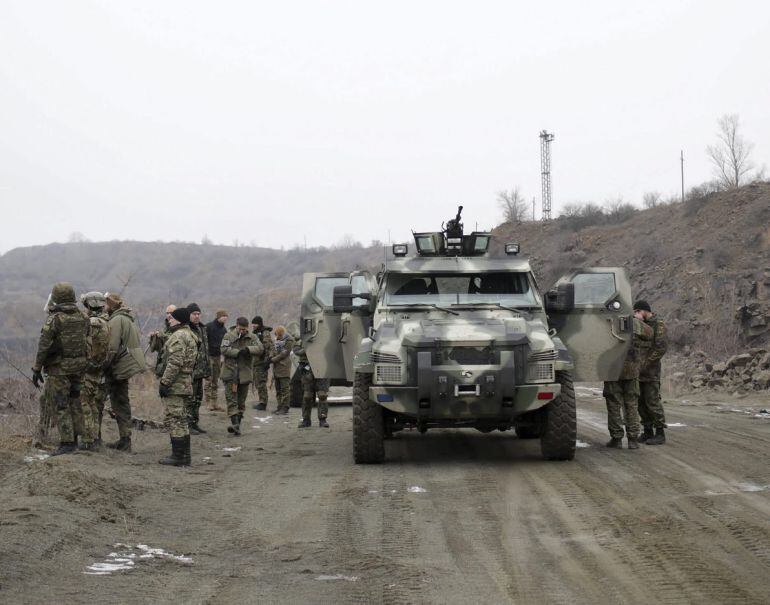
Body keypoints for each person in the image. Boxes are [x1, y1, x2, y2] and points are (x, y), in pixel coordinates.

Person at [31, 282, 89, 456]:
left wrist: (36, 369)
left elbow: (44, 346)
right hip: (79, 367)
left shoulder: (55, 319)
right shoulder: (83, 316)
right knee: (75, 401)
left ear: (56, 298)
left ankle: (67, 443)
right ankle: (78, 439)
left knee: (61, 404)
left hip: (59, 369)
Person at [103, 292, 147, 452]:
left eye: (106, 304)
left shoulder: (116, 320)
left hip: (120, 366)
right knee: (122, 401)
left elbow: (112, 348)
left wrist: (103, 366)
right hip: (127, 364)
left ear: (111, 305)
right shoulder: (126, 318)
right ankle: (125, 438)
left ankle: (124, 440)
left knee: (118, 401)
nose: (104, 307)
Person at [603, 316, 652, 450]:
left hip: (612, 370)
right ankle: (633, 439)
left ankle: (616, 438)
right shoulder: (633, 321)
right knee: (631, 404)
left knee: (613, 403)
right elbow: (649, 333)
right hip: (631, 369)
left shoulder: (605, 321)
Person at [158, 307, 198, 466]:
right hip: (185, 381)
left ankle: (178, 456)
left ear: (179, 320)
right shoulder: (190, 335)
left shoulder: (179, 336)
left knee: (174, 418)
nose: (169, 319)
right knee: (181, 419)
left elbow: (175, 362)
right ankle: (184, 456)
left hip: (177, 383)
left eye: (172, 318)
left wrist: (165, 382)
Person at [221, 317, 264, 435]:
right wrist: (237, 352)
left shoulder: (252, 337)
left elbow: (260, 349)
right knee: (231, 400)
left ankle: (237, 426)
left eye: (244, 329)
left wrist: (248, 350)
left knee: (241, 401)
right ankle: (234, 424)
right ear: (236, 326)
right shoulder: (228, 336)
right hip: (230, 372)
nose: (242, 331)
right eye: (240, 329)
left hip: (244, 373)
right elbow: (224, 349)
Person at [79, 291, 110, 450]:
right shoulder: (106, 321)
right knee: (92, 404)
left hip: (89, 369)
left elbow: (84, 346)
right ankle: (94, 439)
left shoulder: (92, 323)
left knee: (85, 404)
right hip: (98, 369)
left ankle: (87, 441)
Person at [635, 300, 669, 445]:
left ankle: (660, 433)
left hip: (651, 371)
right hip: (639, 371)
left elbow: (660, 348)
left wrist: (646, 363)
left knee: (652, 401)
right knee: (640, 402)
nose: (635, 314)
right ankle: (647, 431)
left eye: (637, 311)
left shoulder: (658, 324)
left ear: (644, 311)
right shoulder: (640, 325)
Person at [186, 303, 211, 434]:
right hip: (190, 371)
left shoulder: (202, 328)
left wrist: (207, 369)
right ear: (189, 315)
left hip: (201, 370)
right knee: (190, 399)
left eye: (198, 314)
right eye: (194, 314)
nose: (196, 316)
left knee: (197, 399)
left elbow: (205, 350)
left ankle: (195, 423)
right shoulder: (186, 329)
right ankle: (188, 425)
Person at [294, 341, 330, 428]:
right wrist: (307, 349)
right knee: (307, 396)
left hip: (322, 367)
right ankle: (306, 420)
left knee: (322, 395)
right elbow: (296, 350)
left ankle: (322, 419)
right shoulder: (303, 338)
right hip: (307, 369)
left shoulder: (322, 336)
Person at [205, 309, 229, 411]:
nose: (225, 318)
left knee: (215, 380)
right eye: (223, 316)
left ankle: (214, 403)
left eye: (226, 317)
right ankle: (208, 402)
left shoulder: (224, 330)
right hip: (209, 356)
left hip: (218, 357)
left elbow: (225, 344)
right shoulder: (209, 326)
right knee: (208, 379)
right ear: (219, 317)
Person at [250, 316, 275, 411]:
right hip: (256, 362)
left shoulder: (265, 333)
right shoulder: (255, 333)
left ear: (259, 324)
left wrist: (267, 360)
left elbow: (268, 347)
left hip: (262, 362)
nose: (253, 326)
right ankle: (261, 401)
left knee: (261, 383)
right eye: (252, 324)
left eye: (255, 324)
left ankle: (263, 403)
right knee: (258, 383)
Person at [271, 325, 294, 415]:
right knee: (278, 389)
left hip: (284, 367)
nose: (276, 337)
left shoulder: (289, 341)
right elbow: (274, 351)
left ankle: (285, 407)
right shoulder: (277, 342)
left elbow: (284, 354)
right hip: (277, 368)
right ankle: (279, 406)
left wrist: (272, 360)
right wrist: (270, 357)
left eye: (277, 335)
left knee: (284, 389)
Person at [149, 305, 176, 377]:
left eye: (172, 313)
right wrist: (153, 338)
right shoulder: (164, 328)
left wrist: (162, 335)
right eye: (167, 313)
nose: (169, 315)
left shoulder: (179, 327)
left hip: (174, 362)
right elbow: (158, 349)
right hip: (163, 363)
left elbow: (175, 341)